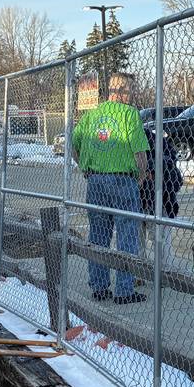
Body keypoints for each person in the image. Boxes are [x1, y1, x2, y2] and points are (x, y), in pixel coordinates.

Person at [70, 76, 150, 303]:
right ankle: (124, 291)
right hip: (123, 180)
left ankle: (99, 287)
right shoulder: (129, 114)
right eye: (130, 90)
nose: (131, 94)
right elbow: (139, 153)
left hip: (96, 181)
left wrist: (84, 166)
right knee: (127, 237)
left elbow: (73, 146)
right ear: (122, 91)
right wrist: (141, 176)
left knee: (98, 236)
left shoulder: (90, 115)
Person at [138, 121, 182, 271]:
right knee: (141, 236)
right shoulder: (152, 139)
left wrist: (149, 171)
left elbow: (171, 169)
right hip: (147, 197)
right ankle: (143, 270)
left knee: (159, 237)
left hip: (160, 198)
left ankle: (163, 271)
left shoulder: (151, 140)